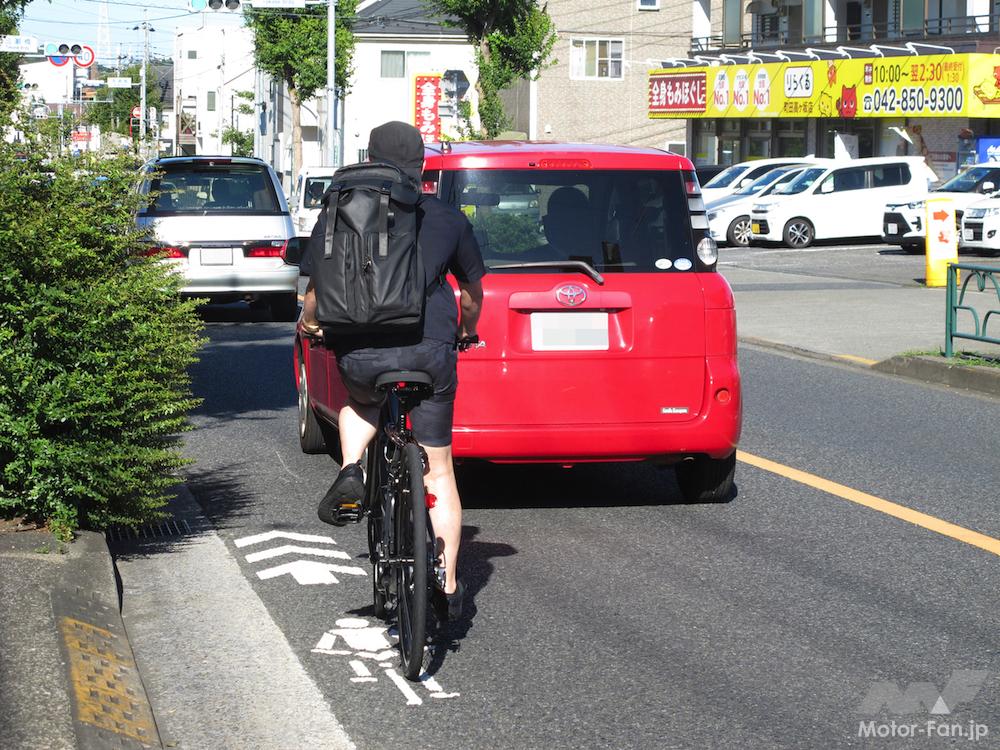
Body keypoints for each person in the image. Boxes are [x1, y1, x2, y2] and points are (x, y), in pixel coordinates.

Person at [299, 121, 485, 620]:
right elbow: (470, 294)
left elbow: (314, 291)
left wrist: (311, 324)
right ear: (422, 165)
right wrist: (466, 330)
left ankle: (351, 468)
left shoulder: (338, 216)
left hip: (362, 355)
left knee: (361, 399)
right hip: (429, 355)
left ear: (370, 158)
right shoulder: (447, 218)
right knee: (440, 471)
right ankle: (444, 585)